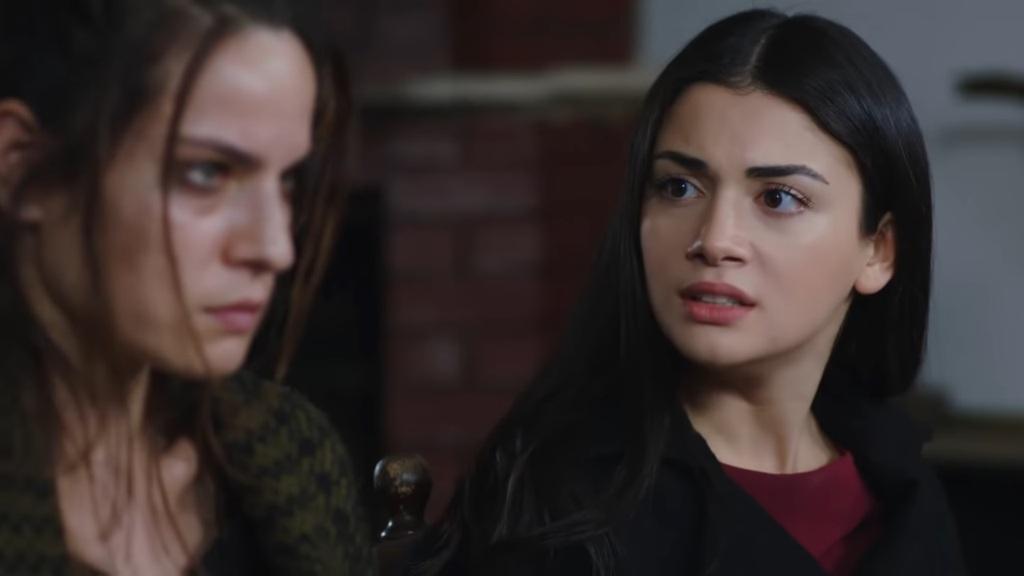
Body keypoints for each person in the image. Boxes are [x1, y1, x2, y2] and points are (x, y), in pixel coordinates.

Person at [414, 9, 965, 576]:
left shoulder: (904, 496)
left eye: (778, 198)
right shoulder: (557, 498)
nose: (715, 239)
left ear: (878, 251)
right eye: (679, 187)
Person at [0, 0, 372, 573]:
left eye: (288, 182)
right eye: (207, 173)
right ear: (21, 167)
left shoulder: (293, 458)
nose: (275, 248)